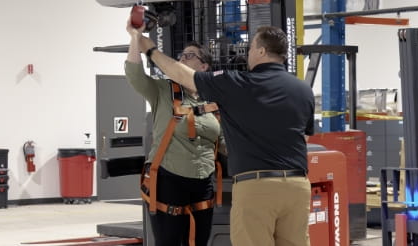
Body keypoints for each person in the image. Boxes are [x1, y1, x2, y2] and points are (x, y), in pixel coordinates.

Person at [132, 23, 314, 246]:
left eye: (250, 49)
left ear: (261, 51)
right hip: (297, 186)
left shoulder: (237, 84)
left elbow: (182, 74)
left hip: (257, 188)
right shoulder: (303, 90)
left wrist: (150, 49)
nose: (247, 55)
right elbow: (304, 138)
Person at [125, 19, 226, 246]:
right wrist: (135, 38)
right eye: (181, 55)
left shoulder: (215, 101)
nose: (181, 59)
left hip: (204, 183)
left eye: (189, 56)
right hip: (169, 180)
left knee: (199, 242)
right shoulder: (163, 91)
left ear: (204, 67)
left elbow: (225, 143)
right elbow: (134, 75)